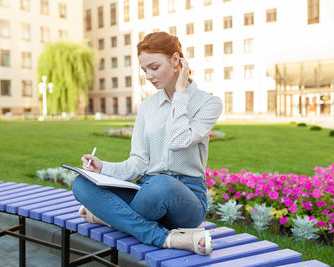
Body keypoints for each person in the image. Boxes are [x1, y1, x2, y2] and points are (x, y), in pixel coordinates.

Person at [72, 32, 222, 255]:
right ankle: (168, 238)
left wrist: (180, 93)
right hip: (146, 191)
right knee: (81, 184)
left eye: (154, 67)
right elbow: (139, 163)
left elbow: (179, 141)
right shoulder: (147, 106)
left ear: (176, 60)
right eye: (144, 70)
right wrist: (102, 167)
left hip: (185, 197)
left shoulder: (209, 103)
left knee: (162, 184)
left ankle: (110, 218)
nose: (149, 76)